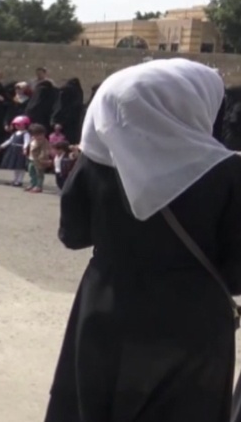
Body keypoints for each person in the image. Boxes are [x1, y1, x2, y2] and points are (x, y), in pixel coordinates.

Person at [45, 58, 241, 422]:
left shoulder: (97, 161)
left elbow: (72, 235)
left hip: (106, 305)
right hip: (190, 318)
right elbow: (236, 274)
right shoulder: (228, 171)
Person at [0, 115, 31, 187]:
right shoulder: (15, 133)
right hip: (14, 150)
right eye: (16, 125)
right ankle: (15, 180)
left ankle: (19, 181)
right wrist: (1, 146)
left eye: (20, 124)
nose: (17, 126)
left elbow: (27, 142)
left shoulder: (26, 133)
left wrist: (25, 148)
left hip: (20, 151)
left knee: (20, 166)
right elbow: (9, 141)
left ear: (25, 125)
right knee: (16, 167)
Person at [51, 78, 85, 144]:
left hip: (66, 128)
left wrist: (57, 122)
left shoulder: (65, 94)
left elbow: (60, 108)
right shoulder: (79, 106)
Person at [26, 123, 51, 193]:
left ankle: (39, 186)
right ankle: (33, 184)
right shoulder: (32, 140)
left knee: (39, 174)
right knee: (31, 172)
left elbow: (44, 151)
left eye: (41, 135)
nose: (39, 137)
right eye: (36, 135)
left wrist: (42, 158)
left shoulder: (44, 142)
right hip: (31, 159)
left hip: (39, 160)